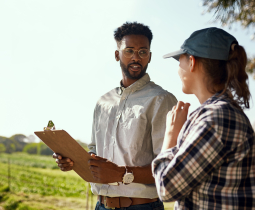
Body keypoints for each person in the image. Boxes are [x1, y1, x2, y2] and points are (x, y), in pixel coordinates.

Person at [53, 22, 177, 210]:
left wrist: (121, 174)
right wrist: (74, 161)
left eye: (143, 52)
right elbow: (94, 150)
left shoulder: (161, 100)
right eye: (129, 51)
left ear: (150, 57)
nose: (136, 57)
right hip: (101, 205)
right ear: (117, 54)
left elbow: (168, 167)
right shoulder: (103, 102)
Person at [152, 27, 255, 209]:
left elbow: (166, 188)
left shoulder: (215, 118)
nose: (177, 69)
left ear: (192, 62)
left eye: (179, 60)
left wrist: (170, 137)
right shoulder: (221, 114)